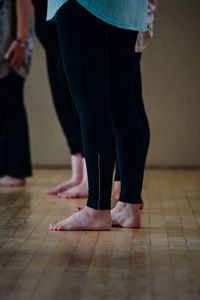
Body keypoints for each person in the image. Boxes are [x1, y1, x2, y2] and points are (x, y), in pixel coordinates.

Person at [47, 0, 148, 231]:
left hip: (84, 4)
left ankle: (97, 209)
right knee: (122, 104)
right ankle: (128, 206)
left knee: (91, 105)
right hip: (126, 8)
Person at [32, 0, 88, 199]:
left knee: (79, 103)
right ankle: (78, 174)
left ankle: (89, 180)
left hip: (65, 26)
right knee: (62, 103)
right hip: (49, 38)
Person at [112, 0, 157, 205]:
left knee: (127, 103)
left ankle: (126, 193)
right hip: (127, 16)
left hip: (128, 17)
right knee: (128, 102)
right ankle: (126, 191)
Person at [0, 0, 33, 187]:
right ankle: (6, 169)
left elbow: (23, 1)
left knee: (10, 106)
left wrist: (21, 40)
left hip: (10, 48)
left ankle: (14, 170)